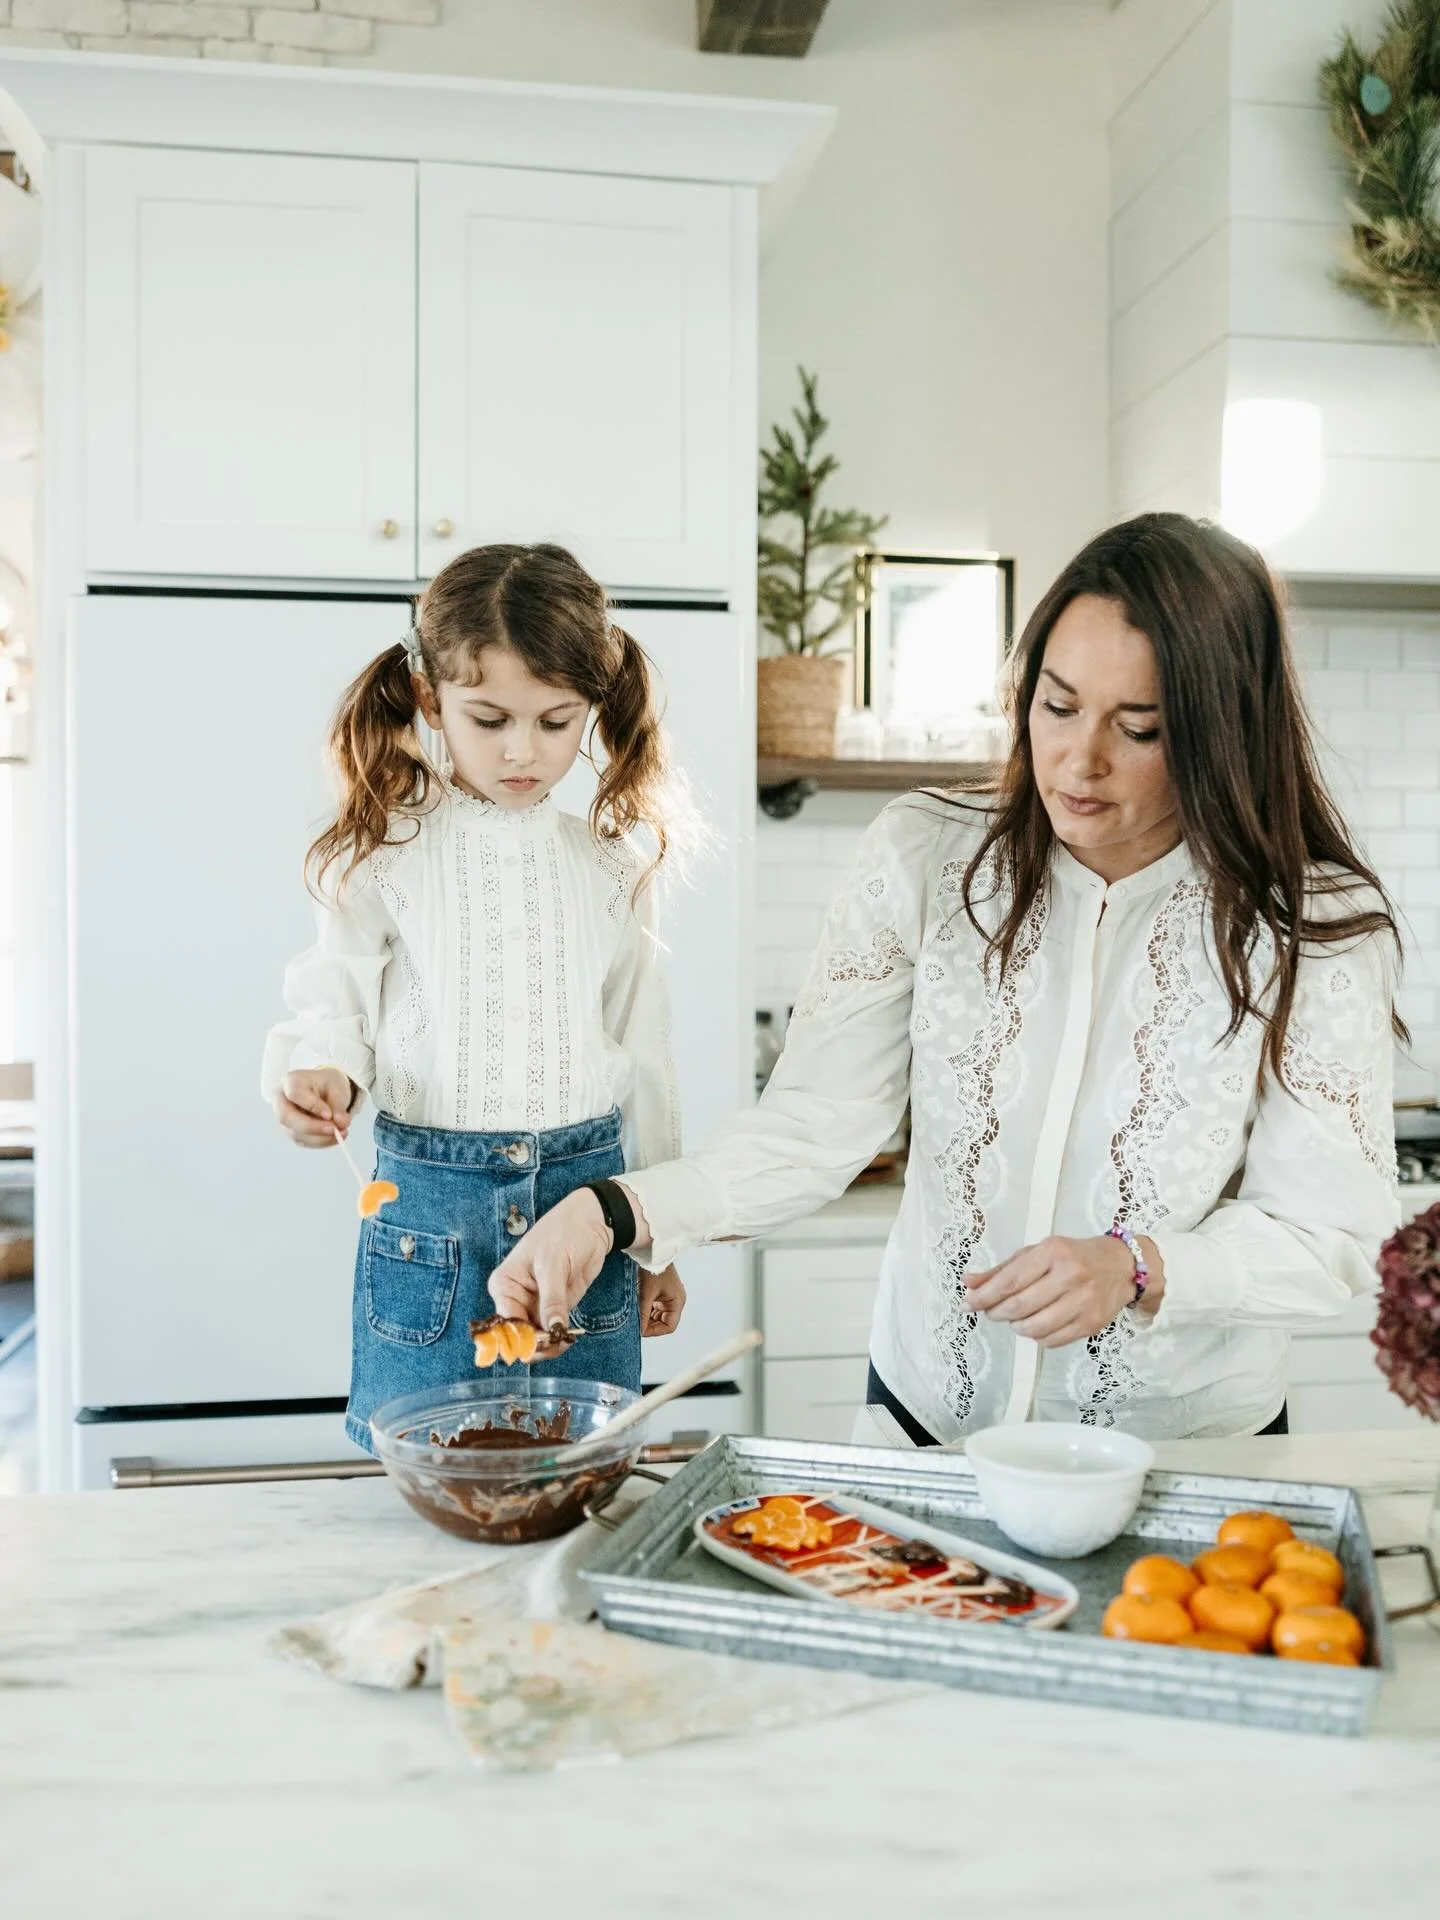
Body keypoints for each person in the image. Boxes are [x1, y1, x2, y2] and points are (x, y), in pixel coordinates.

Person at [488, 513, 1403, 1444]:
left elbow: (1333, 1234)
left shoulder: (1312, 926)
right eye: (1057, 706)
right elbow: (816, 1122)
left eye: (1140, 729)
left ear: (1224, 732)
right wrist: (615, 1210)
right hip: (927, 1423)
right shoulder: (928, 855)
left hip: (1187, 1453)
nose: (1080, 760)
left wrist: (1142, 1267)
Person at [262, 543, 686, 1453]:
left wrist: (658, 1237)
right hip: (430, 1218)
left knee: (581, 1468)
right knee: (429, 1467)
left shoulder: (616, 862)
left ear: (593, 707)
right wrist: (320, 1071)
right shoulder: (385, 848)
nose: (523, 751)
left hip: (587, 1210)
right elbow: (334, 998)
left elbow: (644, 1053)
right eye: (489, 719)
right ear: (429, 698)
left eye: (556, 721)